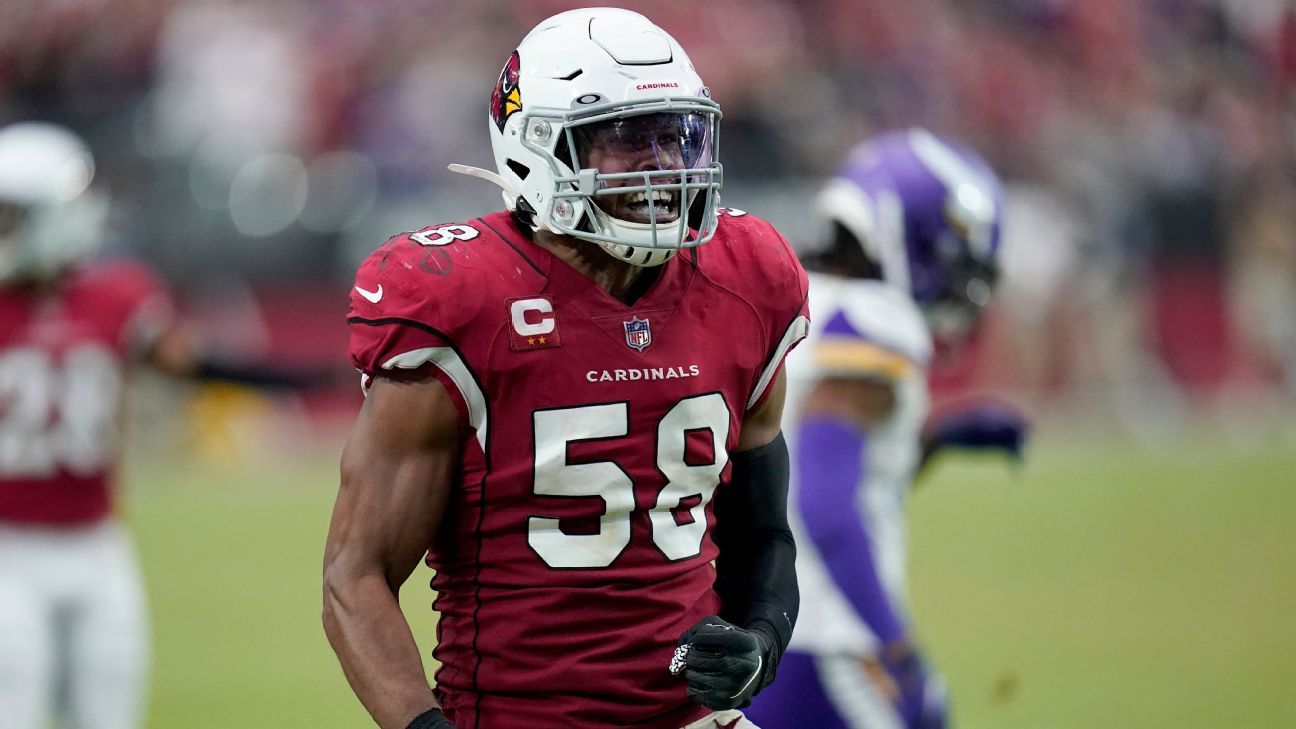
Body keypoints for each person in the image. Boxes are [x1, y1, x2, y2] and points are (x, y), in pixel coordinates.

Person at [322, 8, 807, 729]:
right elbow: (354, 578)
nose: (663, 165)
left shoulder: (749, 277)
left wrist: (759, 640)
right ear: (536, 147)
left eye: (676, 136)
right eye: (625, 139)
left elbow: (763, 533)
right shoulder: (460, 297)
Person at [0, 121, 322, 729]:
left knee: (109, 717)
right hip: (6, 547)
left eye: (10, 216)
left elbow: (195, 367)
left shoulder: (117, 296)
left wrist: (304, 376)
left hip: (97, 545)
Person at [745, 129, 1027, 729]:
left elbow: (800, 477)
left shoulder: (803, 299)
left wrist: (931, 443)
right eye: (948, 262)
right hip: (830, 642)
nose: (956, 290)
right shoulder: (876, 318)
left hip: (761, 629)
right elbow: (824, 506)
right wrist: (894, 648)